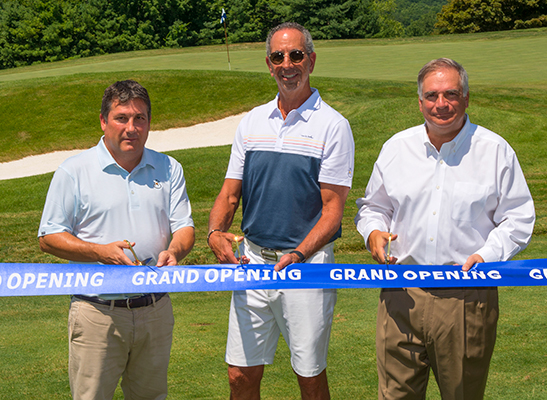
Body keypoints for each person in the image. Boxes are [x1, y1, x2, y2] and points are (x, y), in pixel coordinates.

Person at [355, 58, 535, 400]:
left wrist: (487, 254)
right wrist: (373, 232)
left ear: (466, 97)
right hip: (400, 294)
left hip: (466, 297)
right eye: (432, 95)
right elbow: (373, 207)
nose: (441, 104)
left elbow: (519, 218)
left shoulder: (494, 150)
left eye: (451, 94)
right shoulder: (397, 148)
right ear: (420, 101)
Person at [207, 22, 354, 400]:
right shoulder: (253, 121)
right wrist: (214, 232)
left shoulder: (333, 126)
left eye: (296, 55)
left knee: (309, 376)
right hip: (252, 263)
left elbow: (333, 211)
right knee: (239, 375)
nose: (287, 64)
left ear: (311, 60)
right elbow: (229, 192)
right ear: (269, 64)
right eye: (278, 56)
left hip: (306, 268)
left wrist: (299, 254)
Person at [38, 80, 195, 400]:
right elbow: (49, 236)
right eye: (121, 117)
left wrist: (174, 250)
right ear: (103, 121)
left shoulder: (169, 168)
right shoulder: (74, 171)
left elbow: (184, 227)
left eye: (140, 118)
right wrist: (100, 252)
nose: (131, 127)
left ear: (150, 123)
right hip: (97, 312)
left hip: (155, 309)